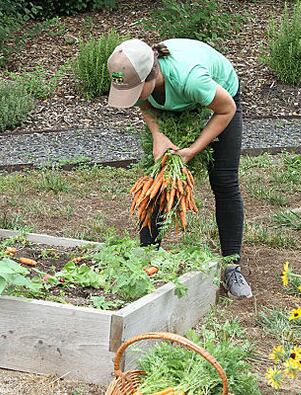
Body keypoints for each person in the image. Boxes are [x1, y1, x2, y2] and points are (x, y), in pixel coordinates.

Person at [107, 38, 251, 298]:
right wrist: (158, 135)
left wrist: (194, 149)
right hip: (181, 99)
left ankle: (232, 267)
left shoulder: (191, 78)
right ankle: (147, 259)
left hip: (222, 100)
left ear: (151, 75)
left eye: (134, 90)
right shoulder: (140, 79)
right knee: (158, 178)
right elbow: (145, 105)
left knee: (224, 179)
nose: (131, 98)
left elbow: (225, 109)